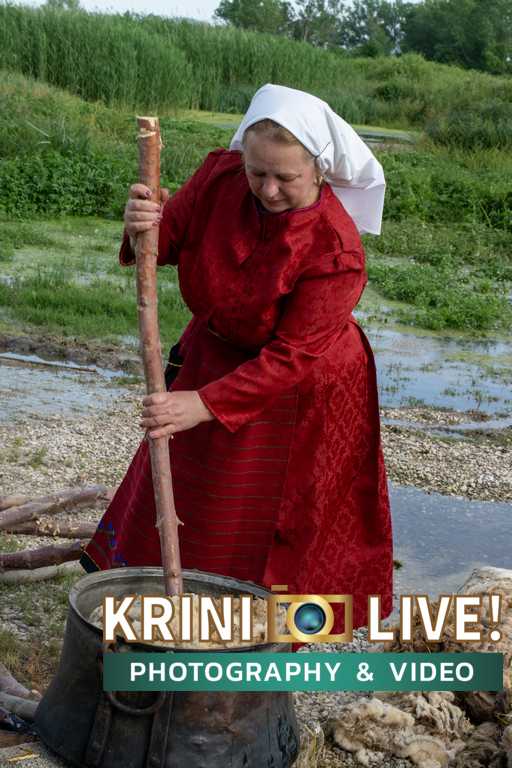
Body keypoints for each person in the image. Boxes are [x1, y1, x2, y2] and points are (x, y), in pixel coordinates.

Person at [80, 83, 393, 635]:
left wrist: (201, 404)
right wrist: (142, 223)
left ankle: (251, 631)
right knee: (188, 485)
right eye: (257, 172)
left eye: (285, 178)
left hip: (301, 389)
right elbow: (165, 241)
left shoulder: (335, 249)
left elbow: (292, 356)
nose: (268, 189)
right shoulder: (219, 177)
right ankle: (159, 601)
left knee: (268, 512)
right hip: (214, 354)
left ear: (319, 171)